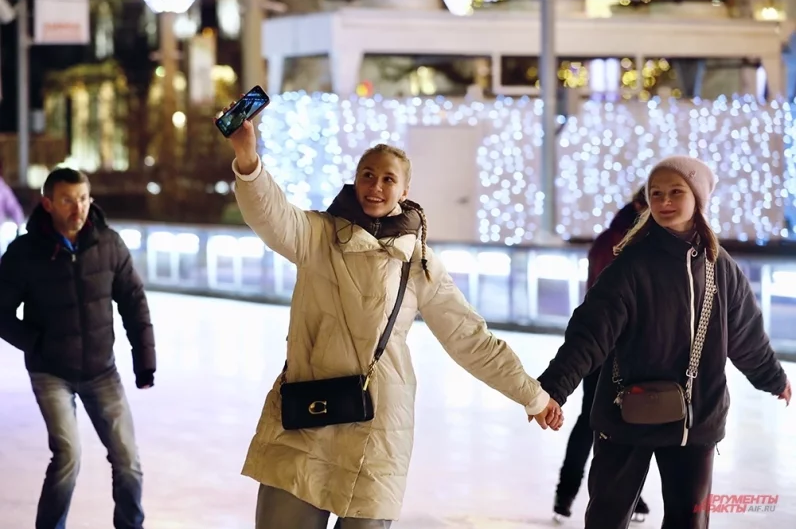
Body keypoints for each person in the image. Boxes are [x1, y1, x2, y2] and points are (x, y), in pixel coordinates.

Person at [225, 113, 562, 528]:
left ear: (405, 190)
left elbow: (468, 338)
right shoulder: (317, 235)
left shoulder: (419, 262)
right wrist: (247, 156)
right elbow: (270, 214)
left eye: (388, 179)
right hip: (305, 415)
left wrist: (533, 394)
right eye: (368, 175)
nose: (376, 186)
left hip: (378, 426)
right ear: (355, 180)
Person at [536, 155, 792, 529]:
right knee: (607, 519)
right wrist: (553, 388)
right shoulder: (630, 265)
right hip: (626, 415)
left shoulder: (721, 269)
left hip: (696, 420)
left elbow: (747, 336)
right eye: (656, 194)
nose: (664, 201)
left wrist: (773, 378)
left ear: (698, 198)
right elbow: (589, 333)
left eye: (676, 192)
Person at [0, 168, 156, 529]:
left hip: (102, 370)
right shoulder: (24, 253)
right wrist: (36, 342)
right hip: (50, 371)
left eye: (84, 198)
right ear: (48, 203)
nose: (78, 208)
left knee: (128, 458)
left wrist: (144, 361)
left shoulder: (108, 243)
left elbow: (134, 300)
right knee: (68, 454)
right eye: (68, 200)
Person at [553, 188, 651, 524]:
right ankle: (569, 493)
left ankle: (621, 497)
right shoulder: (620, 242)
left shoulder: (624, 238)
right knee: (599, 422)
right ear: (640, 206)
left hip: (616, 348)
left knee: (608, 422)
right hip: (607, 349)